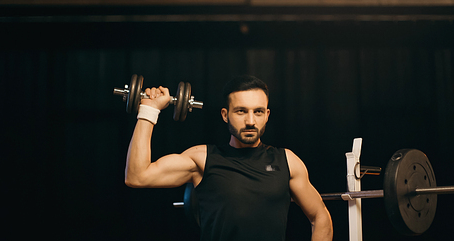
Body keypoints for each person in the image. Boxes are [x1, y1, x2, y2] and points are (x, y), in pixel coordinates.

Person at [125, 75, 333, 241]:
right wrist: (148, 111)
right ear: (225, 115)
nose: (251, 121)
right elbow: (137, 176)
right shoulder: (203, 159)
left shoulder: (287, 161)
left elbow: (320, 216)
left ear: (267, 115)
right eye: (241, 111)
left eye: (258, 112)